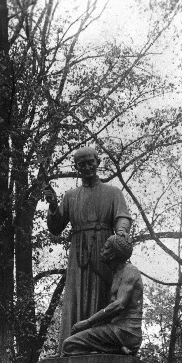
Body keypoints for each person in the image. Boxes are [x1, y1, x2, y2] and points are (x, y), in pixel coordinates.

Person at [44, 147, 132, 351]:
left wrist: (121, 232)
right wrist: (53, 205)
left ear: (97, 162)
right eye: (81, 164)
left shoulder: (113, 192)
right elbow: (56, 227)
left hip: (104, 250)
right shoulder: (71, 196)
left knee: (103, 292)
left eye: (90, 162)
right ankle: (72, 346)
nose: (87, 167)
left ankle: (102, 345)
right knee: (76, 294)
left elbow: (122, 217)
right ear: (77, 168)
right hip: (78, 253)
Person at [62, 233, 143, 356]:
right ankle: (117, 351)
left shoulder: (130, 270)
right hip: (117, 330)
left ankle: (115, 351)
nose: (101, 249)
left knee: (69, 345)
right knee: (74, 341)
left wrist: (89, 322)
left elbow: (119, 304)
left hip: (127, 331)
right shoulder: (117, 273)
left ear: (113, 254)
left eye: (106, 247)